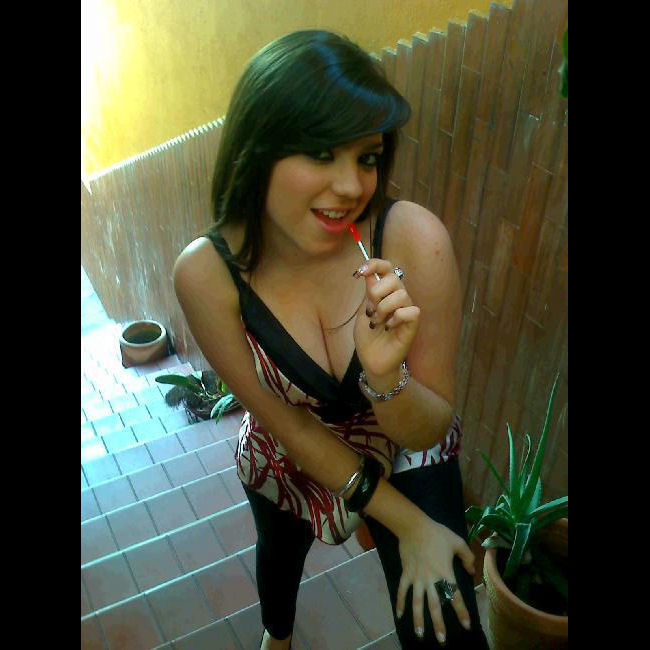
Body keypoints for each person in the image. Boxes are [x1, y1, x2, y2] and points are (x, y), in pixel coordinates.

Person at [173, 29, 489, 650]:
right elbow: (290, 426)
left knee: (445, 617)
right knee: (279, 554)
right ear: (256, 150)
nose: (352, 186)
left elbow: (427, 429)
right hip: (287, 443)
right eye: (321, 153)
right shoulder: (207, 274)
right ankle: (278, 634)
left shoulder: (411, 239)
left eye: (367, 157)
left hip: (402, 443)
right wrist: (407, 524)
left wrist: (385, 378)